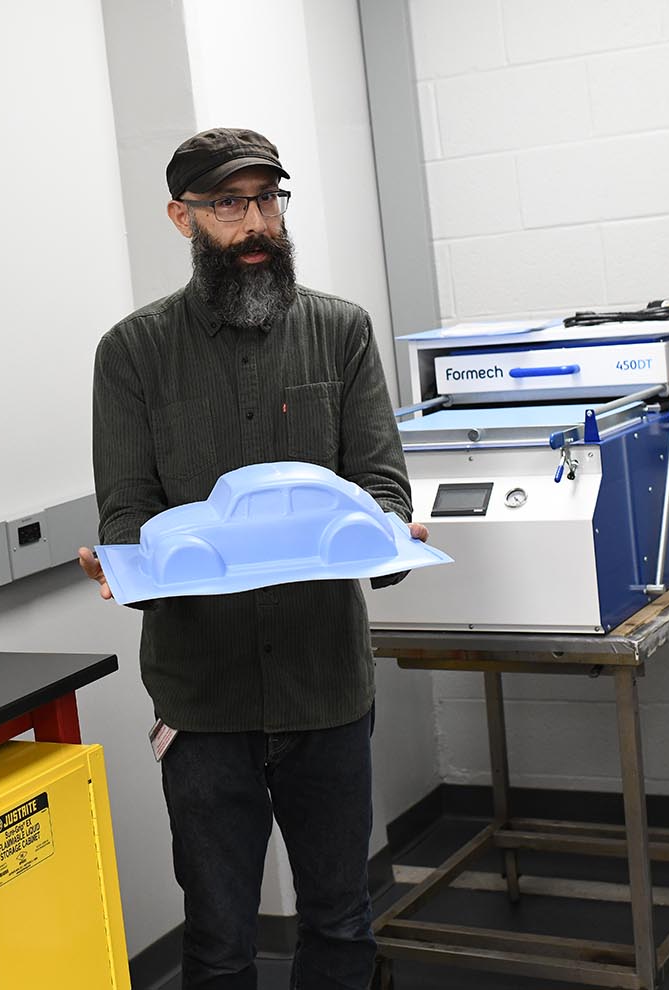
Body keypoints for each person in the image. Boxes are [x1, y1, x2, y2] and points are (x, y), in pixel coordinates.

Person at [77, 127, 428, 990]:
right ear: (182, 218)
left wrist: (389, 538)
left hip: (327, 689)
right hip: (204, 701)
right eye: (228, 204)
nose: (255, 222)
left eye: (267, 198)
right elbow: (128, 511)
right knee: (220, 938)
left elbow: (382, 483)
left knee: (342, 921)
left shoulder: (340, 332)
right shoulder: (132, 353)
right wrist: (132, 567)